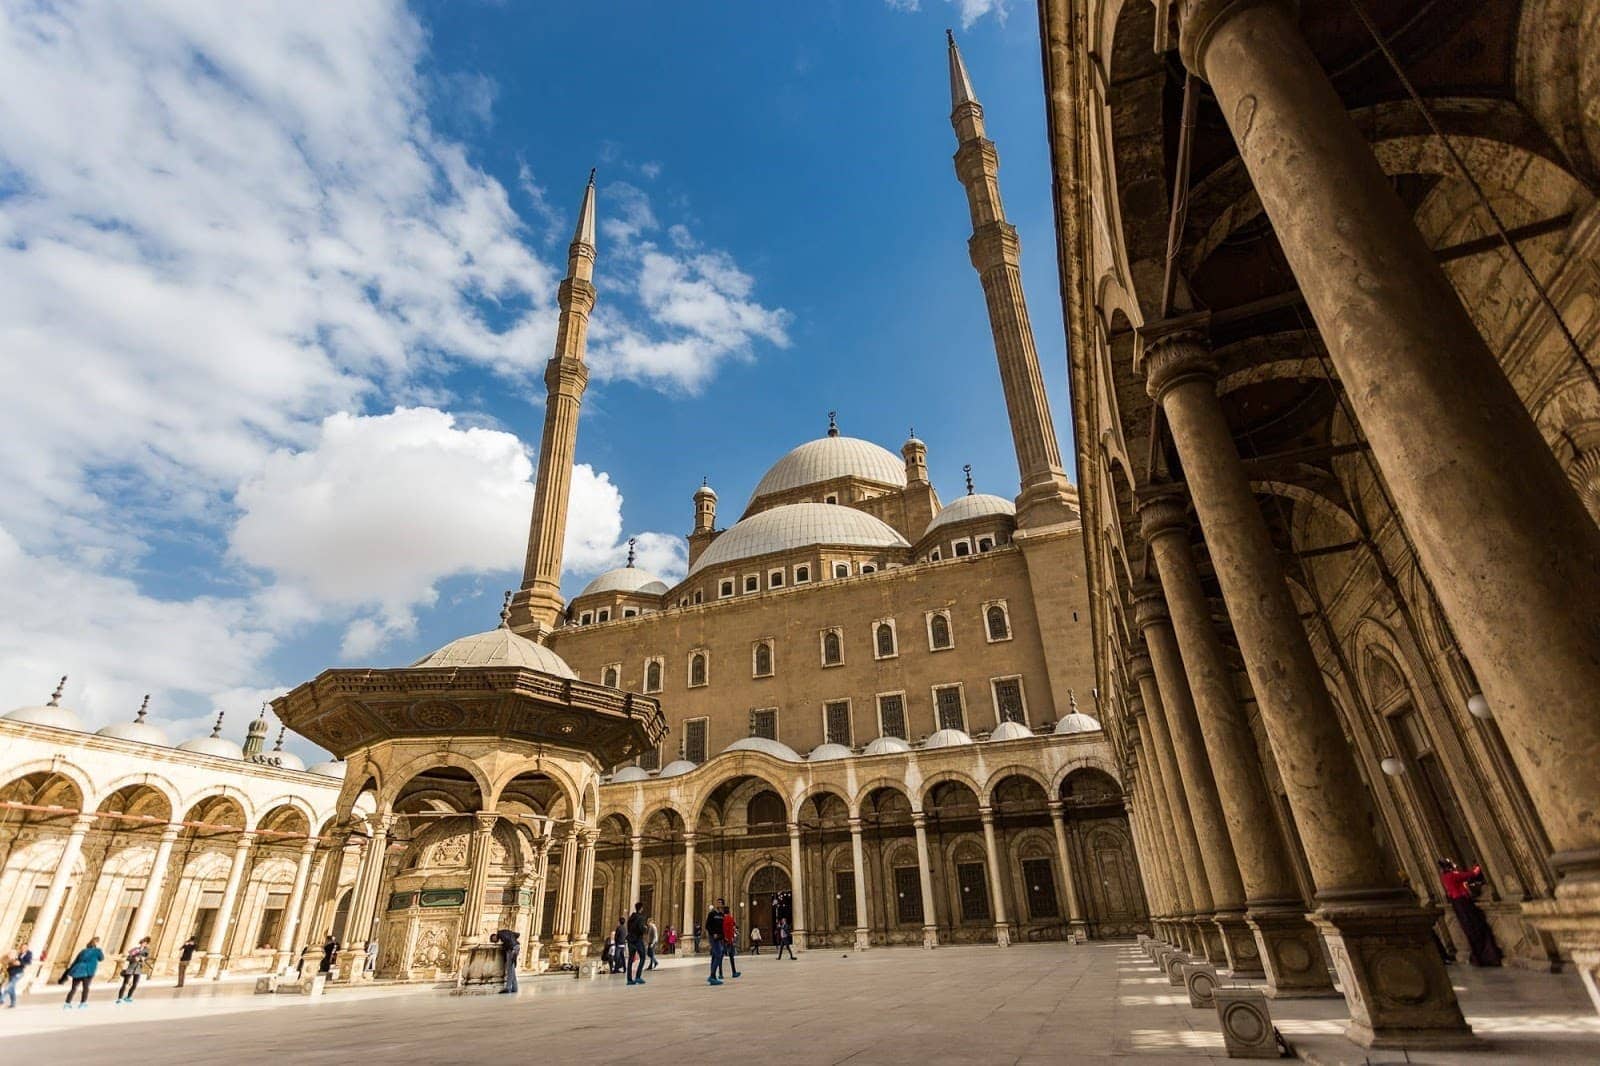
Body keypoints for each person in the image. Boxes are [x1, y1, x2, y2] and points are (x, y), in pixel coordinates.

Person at [1439, 859, 1503, 967]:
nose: (1455, 865)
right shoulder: (1452, 875)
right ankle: (1487, 957)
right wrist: (1478, 865)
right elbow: (1472, 874)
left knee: (1470, 930)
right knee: (1477, 928)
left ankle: (1479, 957)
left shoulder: (1444, 877)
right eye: (1453, 864)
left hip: (1457, 904)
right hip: (1463, 903)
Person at [63, 937, 103, 1010]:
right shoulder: (97, 950)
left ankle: (67, 1004)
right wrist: (99, 950)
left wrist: (69, 972)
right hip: (88, 971)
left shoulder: (83, 951)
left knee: (73, 988)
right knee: (86, 988)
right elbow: (101, 959)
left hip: (78, 970)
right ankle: (83, 1004)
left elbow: (75, 961)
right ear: (96, 944)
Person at [116, 936, 152, 1004]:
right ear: (141, 943)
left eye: (146, 943)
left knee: (135, 984)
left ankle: (128, 997)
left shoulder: (146, 951)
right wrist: (134, 959)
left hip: (138, 969)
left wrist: (143, 959)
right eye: (143, 942)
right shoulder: (135, 949)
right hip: (131, 968)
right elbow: (128, 958)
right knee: (125, 984)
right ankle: (119, 998)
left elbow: (146, 958)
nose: (144, 944)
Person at [626, 902, 649, 986]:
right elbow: (641, 929)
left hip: (630, 940)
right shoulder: (641, 918)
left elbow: (628, 928)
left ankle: (629, 979)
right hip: (638, 940)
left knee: (630, 960)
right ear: (641, 908)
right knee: (643, 957)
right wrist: (646, 928)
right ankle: (638, 977)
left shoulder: (630, 918)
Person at [704, 900, 726, 986]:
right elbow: (707, 926)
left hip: (719, 938)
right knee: (718, 954)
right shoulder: (712, 914)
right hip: (713, 937)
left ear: (723, 905)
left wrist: (723, 937)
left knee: (714, 956)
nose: (719, 904)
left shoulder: (722, 915)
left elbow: (722, 927)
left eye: (720, 903)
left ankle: (712, 976)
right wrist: (713, 934)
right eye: (718, 902)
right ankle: (712, 976)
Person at [4, 943, 31, 1008]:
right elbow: (10, 959)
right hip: (11, 971)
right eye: (22, 947)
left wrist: (20, 963)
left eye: (24, 947)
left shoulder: (28, 954)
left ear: (27, 948)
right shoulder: (17, 953)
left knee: (8, 986)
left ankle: (1, 999)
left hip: (19, 972)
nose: (22, 948)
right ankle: (13, 1003)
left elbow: (28, 962)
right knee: (12, 988)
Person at [494, 928, 520, 994]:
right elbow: (517, 934)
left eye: (493, 939)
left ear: (494, 936)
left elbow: (508, 940)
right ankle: (515, 988)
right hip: (516, 946)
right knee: (512, 969)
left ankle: (508, 988)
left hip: (511, 949)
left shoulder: (500, 933)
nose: (495, 941)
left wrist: (510, 947)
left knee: (510, 969)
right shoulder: (507, 932)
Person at [723, 908, 742, 979]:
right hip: (729, 940)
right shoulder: (730, 918)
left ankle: (720, 973)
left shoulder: (722, 919)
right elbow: (733, 927)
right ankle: (734, 972)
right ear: (729, 912)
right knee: (731, 957)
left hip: (722, 939)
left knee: (719, 957)